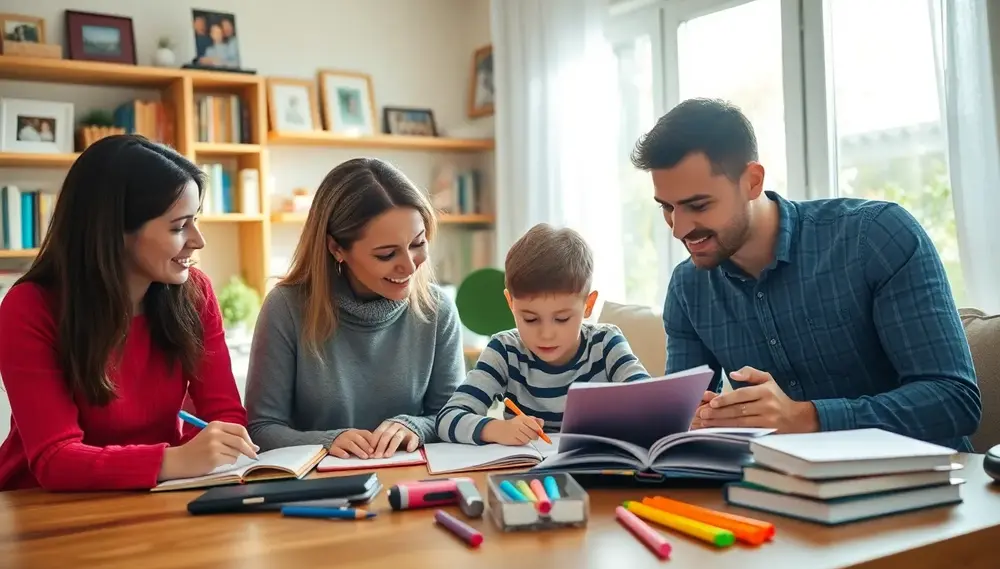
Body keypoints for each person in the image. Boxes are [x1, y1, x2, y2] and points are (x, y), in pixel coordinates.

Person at [630, 98, 982, 451]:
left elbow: (955, 400)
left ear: (752, 182)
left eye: (699, 205)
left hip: (928, 484)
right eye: (667, 208)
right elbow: (684, 417)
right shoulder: (688, 287)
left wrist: (806, 417)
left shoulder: (875, 237)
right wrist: (697, 420)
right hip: (787, 490)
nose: (678, 229)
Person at [0, 135, 255, 492]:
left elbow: (226, 417)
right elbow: (55, 459)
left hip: (157, 492)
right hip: (41, 506)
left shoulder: (195, 294)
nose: (198, 240)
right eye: (179, 226)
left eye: (195, 220)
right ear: (115, 232)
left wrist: (211, 452)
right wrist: (174, 460)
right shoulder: (29, 307)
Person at [245, 158, 465, 459]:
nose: (409, 264)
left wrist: (415, 426)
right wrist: (327, 441)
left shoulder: (438, 309)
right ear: (336, 248)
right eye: (386, 254)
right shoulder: (286, 308)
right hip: (316, 487)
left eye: (417, 243)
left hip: (410, 481)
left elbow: (453, 418)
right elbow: (261, 428)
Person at [436, 223, 650, 446]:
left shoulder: (606, 345)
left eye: (562, 319)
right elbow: (448, 418)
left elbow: (652, 401)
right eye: (530, 319)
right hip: (529, 472)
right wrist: (495, 428)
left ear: (588, 304)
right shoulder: (504, 351)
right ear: (511, 304)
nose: (546, 334)